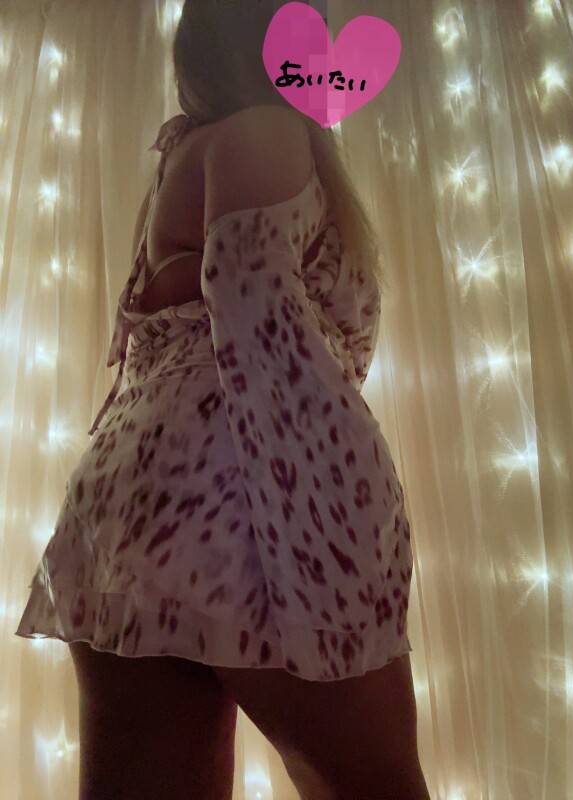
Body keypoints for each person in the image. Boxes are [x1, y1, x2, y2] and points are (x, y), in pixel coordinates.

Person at [15, 2, 431, 798]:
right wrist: (343, 529)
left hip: (128, 505)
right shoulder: (265, 133)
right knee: (374, 785)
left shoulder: (185, 152)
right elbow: (258, 319)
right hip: (249, 497)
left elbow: (156, 338)